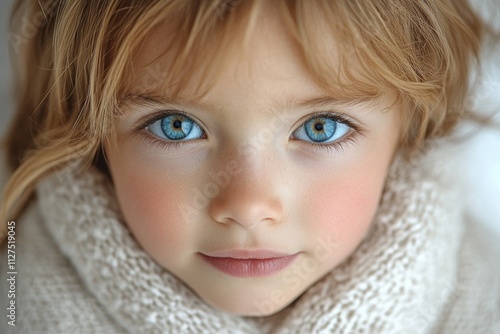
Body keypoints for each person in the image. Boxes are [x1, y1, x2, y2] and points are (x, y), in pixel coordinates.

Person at [1, 0, 499, 332]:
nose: (247, 206)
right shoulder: (17, 302)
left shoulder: (484, 301)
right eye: (176, 126)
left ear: (409, 132)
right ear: (94, 138)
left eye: (320, 128)